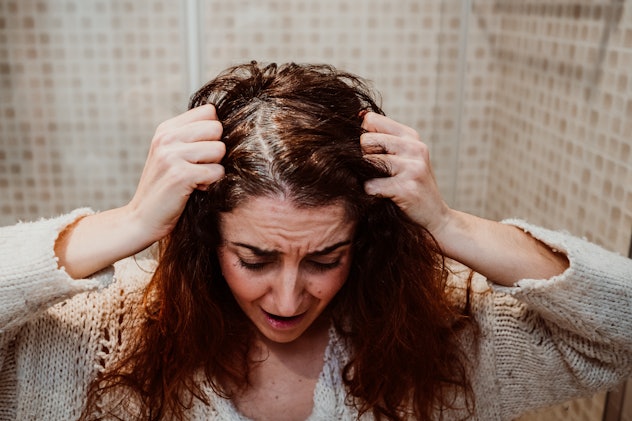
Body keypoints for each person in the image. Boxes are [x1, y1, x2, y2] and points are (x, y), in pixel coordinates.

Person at [0, 61, 631, 421]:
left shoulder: (432, 338)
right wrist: (130, 224)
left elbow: (622, 327)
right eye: (255, 257)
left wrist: (449, 226)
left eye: (325, 259)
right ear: (206, 240)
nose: (288, 297)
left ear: (363, 244)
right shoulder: (102, 339)